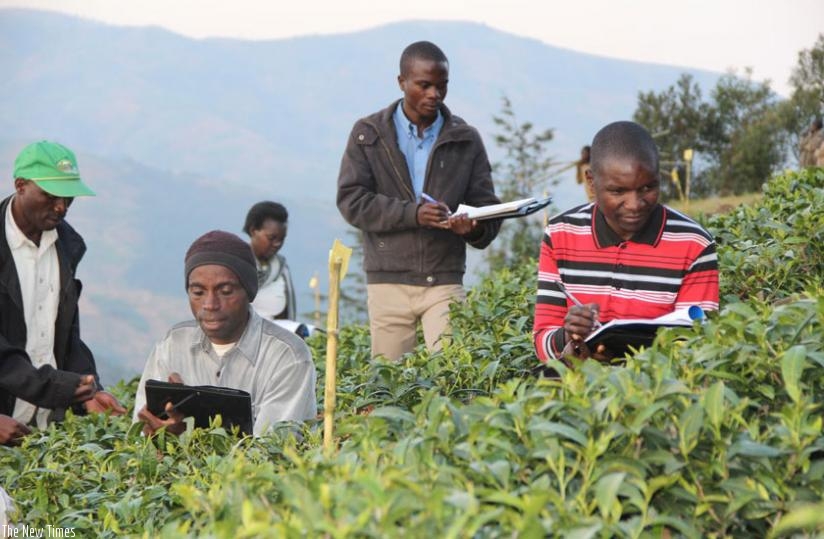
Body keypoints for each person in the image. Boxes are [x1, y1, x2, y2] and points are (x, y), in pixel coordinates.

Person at [337, 40, 501, 361]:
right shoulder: (367, 134)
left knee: (455, 377)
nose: (434, 95)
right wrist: (413, 214)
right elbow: (352, 201)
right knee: (389, 386)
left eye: (442, 86)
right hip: (387, 281)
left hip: (444, 280)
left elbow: (487, 212)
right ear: (402, 83)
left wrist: (471, 228)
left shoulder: (465, 139)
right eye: (424, 85)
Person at [533, 121, 719, 364]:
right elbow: (542, 342)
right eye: (618, 191)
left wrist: (634, 361)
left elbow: (699, 345)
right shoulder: (561, 234)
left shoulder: (694, 244)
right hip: (579, 393)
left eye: (647, 187)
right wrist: (568, 337)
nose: (634, 204)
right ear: (591, 182)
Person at [133, 230, 317, 436]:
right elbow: (140, 435)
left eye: (226, 291)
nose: (210, 304)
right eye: (198, 292)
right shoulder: (172, 344)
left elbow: (271, 452)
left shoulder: (288, 356)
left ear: (249, 291)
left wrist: (187, 439)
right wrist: (157, 431)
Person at [0, 141, 125, 445]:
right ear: (21, 186)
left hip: (44, 431)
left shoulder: (67, 247)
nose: (61, 206)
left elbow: (66, 335)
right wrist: (60, 387)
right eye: (50, 195)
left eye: (68, 196)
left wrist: (88, 389)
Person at [243, 201, 296, 321]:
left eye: (281, 239)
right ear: (253, 231)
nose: (277, 244)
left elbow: (289, 314)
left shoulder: (282, 269)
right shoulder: (238, 265)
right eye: (271, 238)